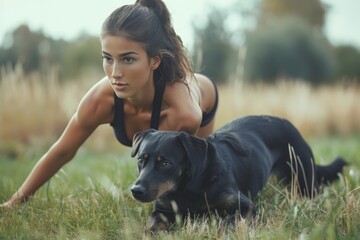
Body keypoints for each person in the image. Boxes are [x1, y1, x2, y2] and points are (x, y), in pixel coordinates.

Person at [0, 0, 218, 208]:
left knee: (203, 182)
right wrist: (14, 202)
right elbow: (62, 151)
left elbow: (170, 169)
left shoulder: (183, 113)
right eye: (108, 58)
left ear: (155, 60)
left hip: (203, 98)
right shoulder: (99, 101)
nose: (115, 74)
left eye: (128, 59)